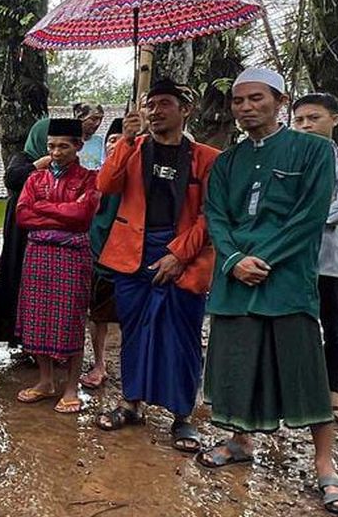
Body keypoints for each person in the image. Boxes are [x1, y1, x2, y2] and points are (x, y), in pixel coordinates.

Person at [199, 67, 338, 517]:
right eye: (238, 101)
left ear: (280, 100)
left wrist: (261, 260)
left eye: (256, 98)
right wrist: (233, 260)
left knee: (305, 370)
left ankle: (326, 464)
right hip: (234, 279)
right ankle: (238, 441)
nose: (246, 107)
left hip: (286, 278)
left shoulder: (312, 151)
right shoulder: (226, 162)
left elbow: (309, 218)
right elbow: (216, 215)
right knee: (236, 364)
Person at [93, 83, 219, 453]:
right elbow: (106, 184)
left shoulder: (207, 157)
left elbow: (210, 214)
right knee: (134, 330)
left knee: (182, 335)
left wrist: (179, 255)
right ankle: (131, 402)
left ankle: (182, 415)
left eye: (165, 104)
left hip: (185, 254)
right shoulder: (131, 150)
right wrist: (127, 140)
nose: (156, 110)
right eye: (151, 105)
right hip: (132, 251)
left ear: (186, 110)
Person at [292, 93, 338, 428]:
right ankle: (289, 391)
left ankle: (335, 395)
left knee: (335, 328)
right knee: (290, 324)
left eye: (314, 118)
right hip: (291, 259)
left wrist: (300, 219)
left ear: (334, 119)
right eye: (300, 120)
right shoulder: (287, 159)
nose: (306, 125)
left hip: (330, 260)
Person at [15, 118, 100, 414]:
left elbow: (83, 215)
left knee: (70, 319)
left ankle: (71, 387)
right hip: (38, 256)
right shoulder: (34, 178)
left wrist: (44, 208)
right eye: (51, 146)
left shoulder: (89, 179)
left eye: (63, 146)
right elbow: (22, 216)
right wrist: (62, 214)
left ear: (78, 146)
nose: (56, 152)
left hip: (72, 258)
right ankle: (45, 381)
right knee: (38, 317)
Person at [0, 118, 50, 346]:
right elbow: (12, 178)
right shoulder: (23, 158)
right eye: (49, 138)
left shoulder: (61, 164)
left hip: (45, 230)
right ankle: (11, 333)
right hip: (20, 230)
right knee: (16, 274)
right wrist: (38, 165)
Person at [82, 117, 125, 390]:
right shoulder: (95, 177)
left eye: (121, 140)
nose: (115, 144)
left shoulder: (140, 178)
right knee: (97, 315)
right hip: (98, 253)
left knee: (131, 317)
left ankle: (130, 367)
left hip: (130, 255)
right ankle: (99, 363)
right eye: (111, 139)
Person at [74, 102, 107, 170]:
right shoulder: (67, 142)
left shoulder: (101, 142)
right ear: (81, 118)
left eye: (100, 119)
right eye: (93, 119)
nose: (98, 123)